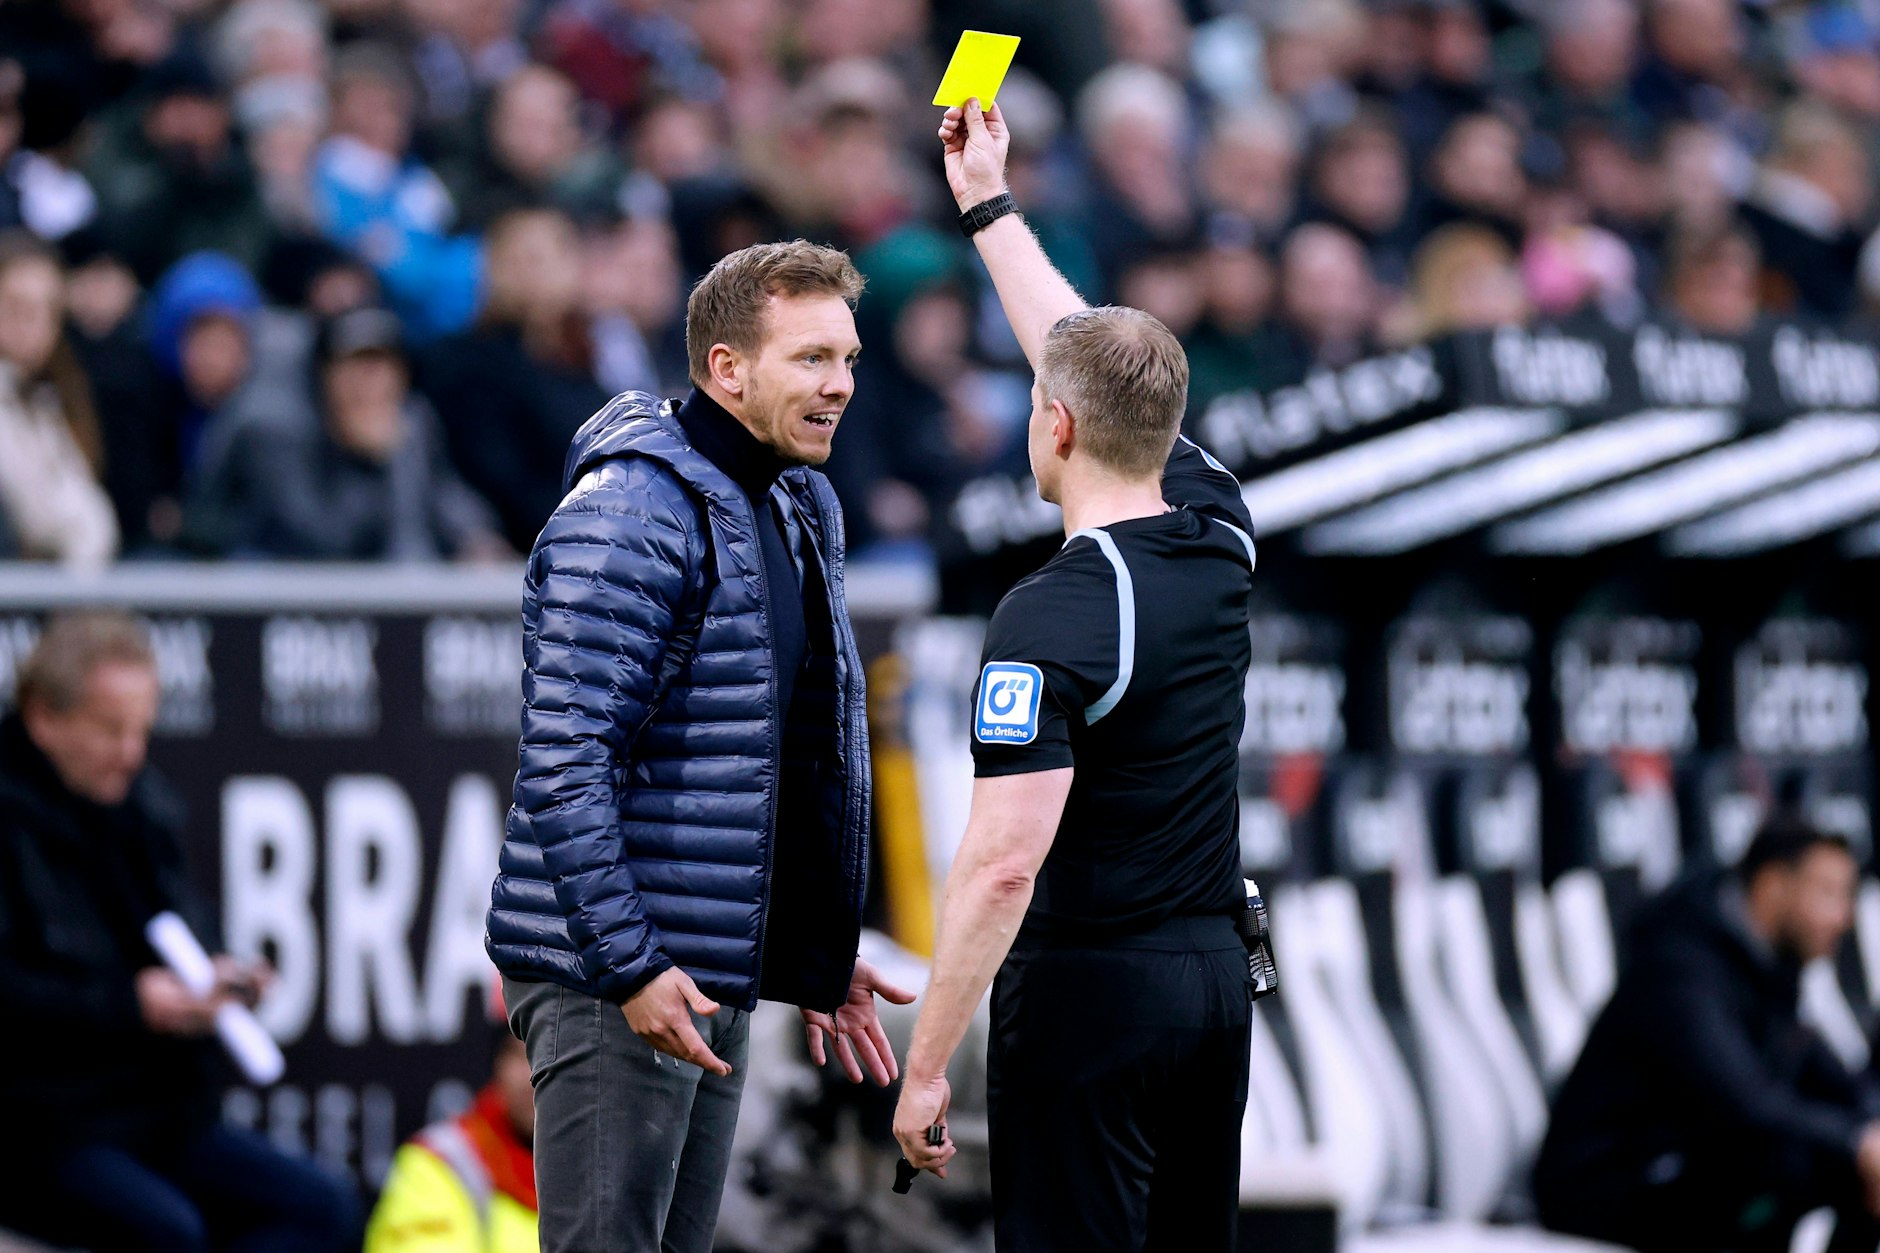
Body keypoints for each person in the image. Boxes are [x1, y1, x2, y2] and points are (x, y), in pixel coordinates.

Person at [485, 238, 916, 1253]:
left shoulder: (796, 501)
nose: (841, 384)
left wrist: (809, 947)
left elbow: (780, 748)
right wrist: (630, 964)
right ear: (727, 368)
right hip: (616, 982)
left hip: (706, 973)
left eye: (847, 358)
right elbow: (562, 758)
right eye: (810, 357)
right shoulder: (634, 507)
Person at [892, 98, 1260, 1252]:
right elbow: (1084, 358)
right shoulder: (1218, 528)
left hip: (1090, 990)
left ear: (1049, 426)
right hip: (1211, 981)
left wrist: (925, 1060)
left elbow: (1002, 864)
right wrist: (988, 206)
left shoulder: (1050, 609)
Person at [0, 611, 359, 1252]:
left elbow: (184, 927)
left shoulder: (141, 804)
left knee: (322, 1207)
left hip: (158, 1116)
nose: (131, 752)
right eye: (110, 730)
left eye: (140, 729)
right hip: (40, 1129)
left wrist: (219, 980)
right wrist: (132, 1005)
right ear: (44, 718)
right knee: (170, 1233)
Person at [1534, 816, 1880, 1253]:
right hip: (1606, 1188)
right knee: (1794, 1166)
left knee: (1840, 1168)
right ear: (1774, 885)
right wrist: (1855, 1143)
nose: (1844, 918)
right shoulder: (1682, 971)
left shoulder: (1769, 969)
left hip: (1687, 1168)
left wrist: (1867, 1130)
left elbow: (1828, 1077)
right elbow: (1746, 1103)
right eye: (1828, 893)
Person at [184, 304, 508, 560]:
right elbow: (321, 541)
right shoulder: (277, 431)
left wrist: (476, 535)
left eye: (381, 366)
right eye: (354, 365)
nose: (368, 383)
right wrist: (373, 464)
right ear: (323, 374)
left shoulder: (413, 417)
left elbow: (443, 492)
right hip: (271, 595)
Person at [365, 1025, 538, 1253]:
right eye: (520, 1055)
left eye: (554, 1055)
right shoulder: (441, 1162)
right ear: (498, 1064)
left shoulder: (598, 1170)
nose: (533, 1076)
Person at [0, 231, 118, 568]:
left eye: (48, 311)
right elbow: (39, 521)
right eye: (17, 307)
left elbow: (95, 526)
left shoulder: (52, 397)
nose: (34, 326)